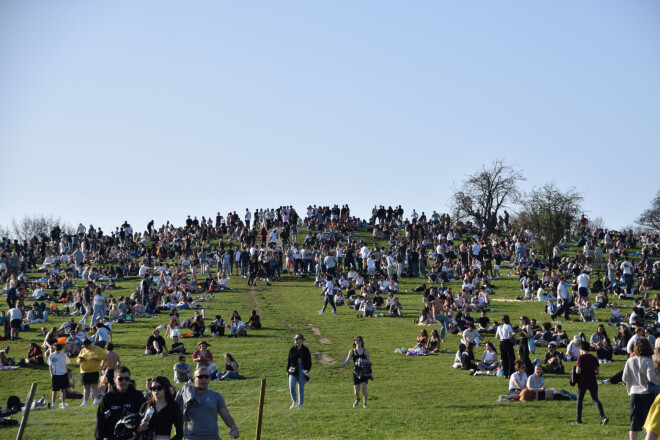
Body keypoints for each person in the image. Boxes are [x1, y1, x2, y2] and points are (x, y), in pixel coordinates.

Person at [175, 367, 240, 439]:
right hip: (192, 437)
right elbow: (180, 417)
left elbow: (226, 416)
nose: (204, 379)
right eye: (200, 377)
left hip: (213, 437)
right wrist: (178, 433)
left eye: (206, 377)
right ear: (194, 379)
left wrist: (233, 427)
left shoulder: (216, 396)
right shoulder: (186, 396)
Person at [623, 338, 660, 440]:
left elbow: (624, 377)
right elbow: (651, 377)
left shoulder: (630, 360)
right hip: (647, 393)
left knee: (634, 422)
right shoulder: (648, 360)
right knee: (650, 422)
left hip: (634, 393)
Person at [95, 366, 146, 440]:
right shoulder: (107, 397)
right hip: (111, 437)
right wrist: (99, 437)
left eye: (126, 379)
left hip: (133, 436)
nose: (124, 381)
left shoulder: (137, 396)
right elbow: (100, 420)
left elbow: (144, 417)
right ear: (114, 380)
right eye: (120, 379)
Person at [137, 376, 184, 440]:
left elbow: (180, 433)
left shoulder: (173, 407)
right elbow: (137, 427)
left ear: (165, 389)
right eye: (153, 388)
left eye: (159, 388)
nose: (156, 390)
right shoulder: (145, 406)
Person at [574, 340, 608, 425]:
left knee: (580, 400)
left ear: (581, 348)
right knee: (595, 399)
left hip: (583, 381)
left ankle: (578, 419)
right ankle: (603, 417)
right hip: (592, 380)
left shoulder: (580, 358)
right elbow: (597, 372)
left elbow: (578, 371)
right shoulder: (594, 358)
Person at [342, 336, 371, 408]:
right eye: (356, 340)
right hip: (356, 372)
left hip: (364, 372)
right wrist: (345, 363)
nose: (357, 341)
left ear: (361, 342)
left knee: (364, 388)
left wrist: (370, 373)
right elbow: (347, 360)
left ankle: (364, 404)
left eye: (358, 340)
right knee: (356, 391)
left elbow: (368, 362)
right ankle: (357, 399)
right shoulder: (352, 351)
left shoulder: (365, 351)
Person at [77, 338, 107, 406]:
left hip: (93, 370)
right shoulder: (83, 350)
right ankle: (85, 402)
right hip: (83, 371)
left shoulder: (98, 349)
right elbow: (77, 360)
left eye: (86, 346)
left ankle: (95, 400)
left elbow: (105, 357)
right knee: (85, 386)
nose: (85, 347)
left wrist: (95, 357)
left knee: (94, 385)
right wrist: (80, 360)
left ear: (90, 344)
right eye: (84, 346)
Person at [287, 334, 312, 410]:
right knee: (291, 385)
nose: (296, 339)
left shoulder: (305, 349)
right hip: (293, 368)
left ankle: (300, 404)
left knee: (301, 387)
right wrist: (288, 370)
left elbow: (309, 361)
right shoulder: (292, 349)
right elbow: (289, 361)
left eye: (297, 338)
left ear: (302, 340)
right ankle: (294, 401)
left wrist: (307, 369)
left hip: (302, 368)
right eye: (295, 338)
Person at [49, 342, 71, 409]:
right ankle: (53, 405)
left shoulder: (64, 355)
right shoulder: (51, 355)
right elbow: (50, 366)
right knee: (54, 390)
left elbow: (66, 365)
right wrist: (51, 374)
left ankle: (63, 403)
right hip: (55, 374)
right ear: (54, 348)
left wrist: (66, 374)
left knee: (63, 390)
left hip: (63, 374)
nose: (57, 350)